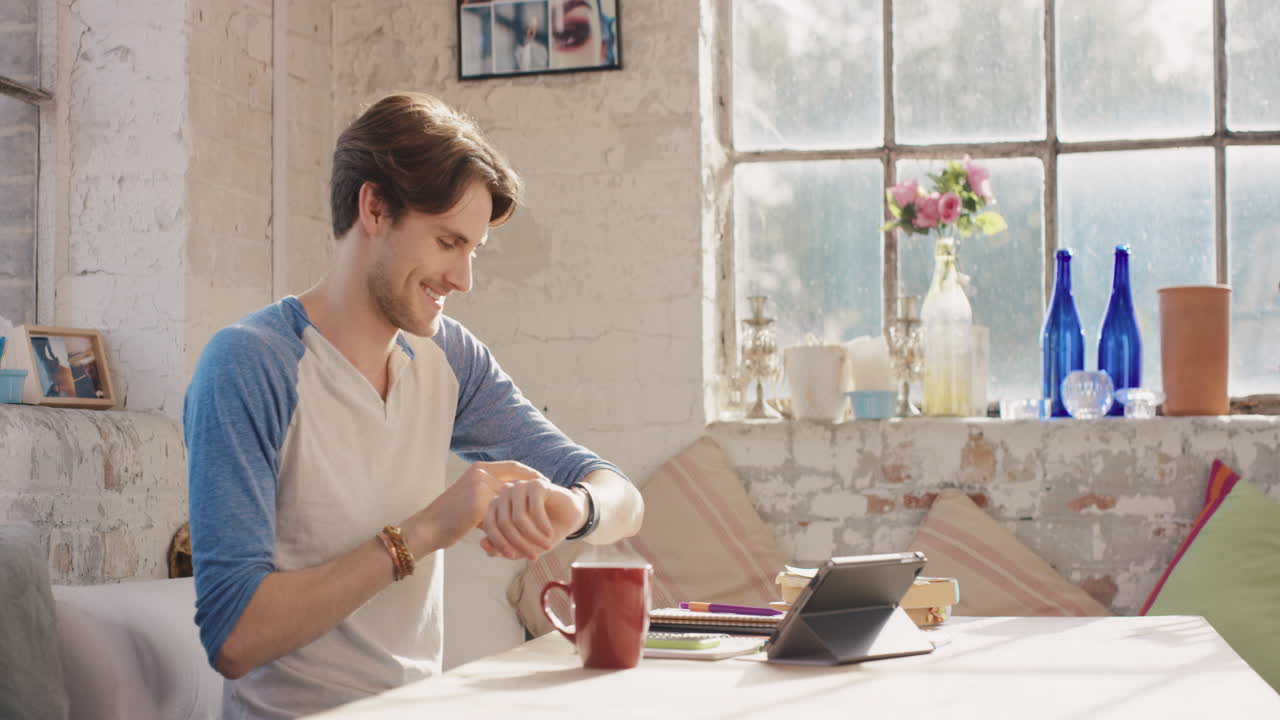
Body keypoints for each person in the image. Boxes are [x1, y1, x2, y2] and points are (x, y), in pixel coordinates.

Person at [184, 91, 644, 719]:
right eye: (447, 242)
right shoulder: (249, 365)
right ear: (374, 208)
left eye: (473, 250)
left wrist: (574, 508)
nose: (463, 280)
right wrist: (425, 531)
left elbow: (623, 497)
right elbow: (234, 639)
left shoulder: (448, 357)